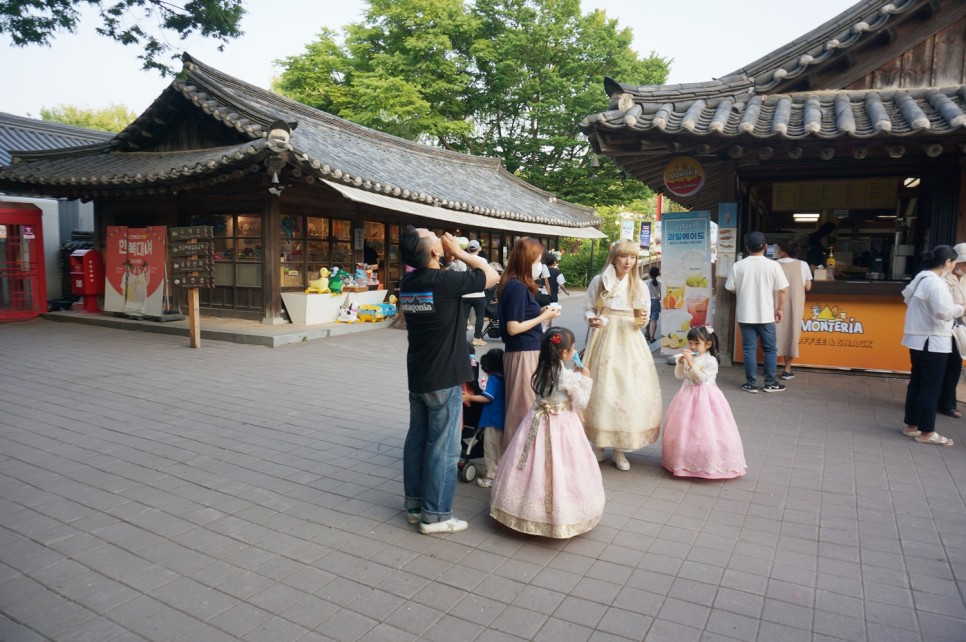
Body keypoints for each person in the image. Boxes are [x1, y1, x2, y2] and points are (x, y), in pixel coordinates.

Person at [398, 226, 500, 533]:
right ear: (433, 251)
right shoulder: (444, 281)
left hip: (419, 375)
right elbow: (491, 275)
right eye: (431, 234)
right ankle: (436, 515)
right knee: (444, 448)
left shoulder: (408, 282)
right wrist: (459, 253)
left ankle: (415, 506)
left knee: (418, 439)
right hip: (444, 377)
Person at [489, 327, 604, 538]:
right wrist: (586, 378)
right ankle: (557, 517)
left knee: (531, 462)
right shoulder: (565, 377)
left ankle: (521, 510)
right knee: (562, 465)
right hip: (562, 424)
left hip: (537, 420)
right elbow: (581, 401)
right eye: (571, 349)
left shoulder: (540, 369)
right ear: (564, 353)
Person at [582, 238, 663, 470]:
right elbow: (587, 308)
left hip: (630, 339)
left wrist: (644, 321)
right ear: (614, 258)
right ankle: (597, 444)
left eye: (633, 257)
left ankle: (619, 449)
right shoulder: (599, 281)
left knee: (627, 389)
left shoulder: (639, 284)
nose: (628, 262)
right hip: (604, 337)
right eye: (623, 256)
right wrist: (592, 319)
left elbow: (643, 316)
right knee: (599, 387)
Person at [498, 238, 561, 449]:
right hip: (522, 353)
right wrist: (543, 318)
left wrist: (541, 312)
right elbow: (513, 327)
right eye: (537, 260)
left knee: (523, 406)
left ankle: (519, 461)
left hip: (524, 352)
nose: (540, 266)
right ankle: (516, 463)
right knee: (522, 410)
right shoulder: (517, 287)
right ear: (527, 261)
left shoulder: (515, 285)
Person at [662, 326, 747, 479]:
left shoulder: (711, 360)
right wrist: (681, 363)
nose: (692, 347)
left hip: (706, 399)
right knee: (684, 429)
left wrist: (691, 363)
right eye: (690, 343)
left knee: (706, 429)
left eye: (697, 343)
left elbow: (700, 379)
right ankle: (683, 462)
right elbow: (679, 376)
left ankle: (708, 464)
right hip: (686, 395)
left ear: (708, 344)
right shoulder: (690, 357)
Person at [901, 245, 963, 446]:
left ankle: (911, 425)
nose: (954, 267)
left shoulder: (921, 278)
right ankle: (927, 432)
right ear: (947, 262)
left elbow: (906, 297)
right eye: (953, 262)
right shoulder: (935, 283)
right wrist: (960, 309)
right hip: (933, 340)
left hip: (918, 338)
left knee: (917, 383)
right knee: (930, 386)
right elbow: (942, 312)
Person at [725, 231, 789, 394]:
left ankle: (751, 384)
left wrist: (744, 291)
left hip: (746, 316)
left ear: (747, 248)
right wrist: (779, 308)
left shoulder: (738, 265)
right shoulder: (774, 265)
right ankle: (770, 383)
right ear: (766, 247)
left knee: (749, 350)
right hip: (766, 316)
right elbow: (782, 290)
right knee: (770, 350)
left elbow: (730, 287)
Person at [461, 348, 505, 488]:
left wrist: (469, 397)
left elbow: (488, 397)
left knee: (491, 450)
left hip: (492, 420)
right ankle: (499, 474)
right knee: (500, 449)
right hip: (502, 420)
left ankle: (491, 476)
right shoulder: (506, 377)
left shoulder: (494, 378)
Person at [775, 239, 813, 380]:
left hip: (775, 304)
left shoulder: (773, 264)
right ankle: (787, 369)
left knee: (774, 334)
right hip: (794, 305)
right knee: (792, 333)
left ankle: (770, 369)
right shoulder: (803, 265)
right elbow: (808, 287)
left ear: (783, 250)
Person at [938, 243, 966, 419]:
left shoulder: (963, 280)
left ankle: (947, 403)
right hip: (944, 327)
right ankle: (944, 403)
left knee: (954, 365)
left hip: (959, 328)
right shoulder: (942, 278)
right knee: (943, 365)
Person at [460, 240, 488, 347]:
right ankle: (477, 338)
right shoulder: (483, 260)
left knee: (463, 317)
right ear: (479, 249)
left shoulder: (462, 260)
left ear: (468, 249)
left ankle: (461, 338)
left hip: (465, 293)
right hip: (479, 293)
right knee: (480, 316)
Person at [645, 266, 661, 343]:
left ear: (649, 273)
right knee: (654, 321)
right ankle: (652, 337)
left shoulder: (645, 283)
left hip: (647, 302)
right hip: (656, 302)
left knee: (647, 319)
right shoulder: (660, 284)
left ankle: (647, 333)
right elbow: (661, 295)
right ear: (658, 274)